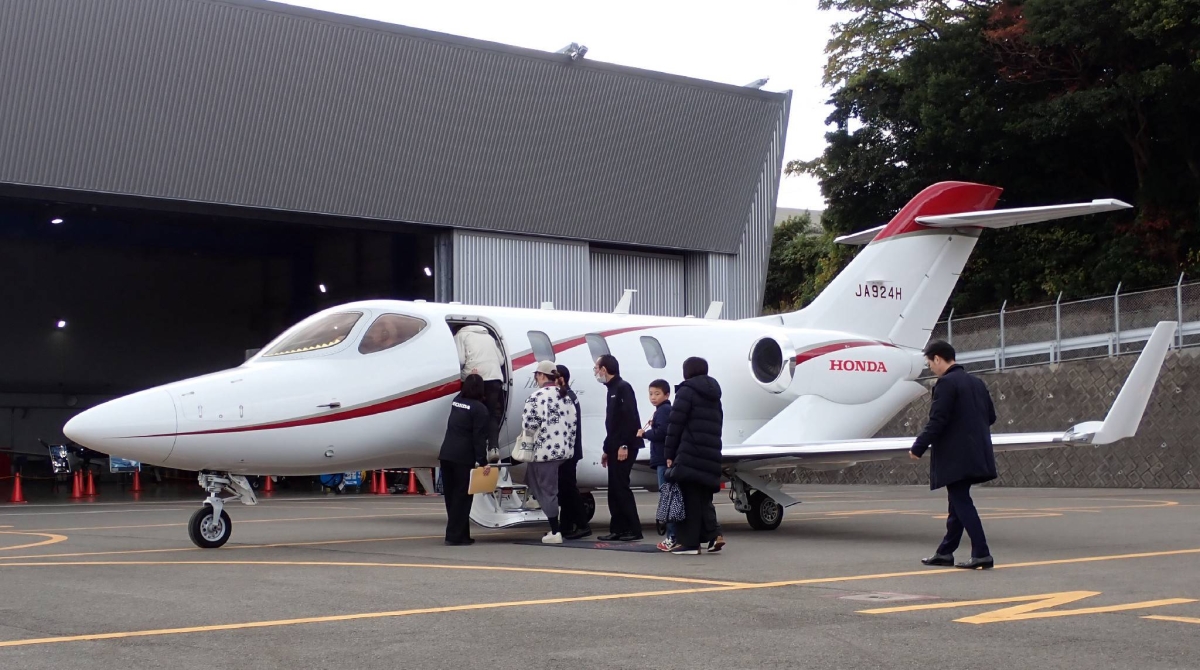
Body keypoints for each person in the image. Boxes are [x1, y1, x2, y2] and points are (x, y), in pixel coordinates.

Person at [910, 340, 998, 570]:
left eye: (930, 363)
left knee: (961, 502)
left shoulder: (946, 384)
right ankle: (945, 552)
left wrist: (919, 446)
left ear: (937, 358)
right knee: (956, 502)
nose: (931, 368)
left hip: (956, 454)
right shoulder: (977, 382)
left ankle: (982, 553)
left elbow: (938, 420)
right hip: (977, 451)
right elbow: (990, 417)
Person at [663, 357, 724, 555]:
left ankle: (689, 544)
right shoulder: (714, 395)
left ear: (686, 372)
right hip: (711, 451)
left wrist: (669, 454)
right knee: (703, 498)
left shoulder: (686, 391)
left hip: (690, 452)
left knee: (688, 497)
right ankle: (714, 534)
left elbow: (675, 424)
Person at [522, 361, 578, 544]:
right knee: (539, 481)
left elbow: (529, 427)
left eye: (536, 375)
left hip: (544, 452)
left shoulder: (536, 396)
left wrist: (526, 449)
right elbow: (573, 425)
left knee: (548, 490)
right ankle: (536, 500)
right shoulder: (566, 397)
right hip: (563, 451)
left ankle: (555, 530)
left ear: (542, 375)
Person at [437, 374, 491, 546]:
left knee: (452, 497)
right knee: (463, 497)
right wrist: (483, 461)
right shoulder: (480, 409)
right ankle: (453, 536)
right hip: (463, 457)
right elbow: (478, 437)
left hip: (446, 454)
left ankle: (462, 534)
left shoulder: (456, 401)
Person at [595, 354, 643, 542]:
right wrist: (608, 449)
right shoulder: (611, 389)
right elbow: (612, 424)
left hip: (626, 446)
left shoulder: (623, 388)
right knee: (614, 488)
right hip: (615, 446)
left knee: (621, 487)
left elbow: (629, 419)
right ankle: (618, 528)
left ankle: (633, 528)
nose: (596, 372)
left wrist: (624, 445)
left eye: (596, 368)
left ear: (604, 369)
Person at [637, 379, 677, 551]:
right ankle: (673, 535)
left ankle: (671, 536)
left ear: (667, 395)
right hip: (662, 459)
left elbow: (662, 433)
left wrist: (645, 434)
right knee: (668, 497)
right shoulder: (663, 410)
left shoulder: (663, 411)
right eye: (651, 394)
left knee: (667, 498)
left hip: (663, 460)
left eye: (657, 394)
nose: (653, 397)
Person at [454, 325, 505, 456]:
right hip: (495, 378)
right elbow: (501, 360)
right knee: (492, 414)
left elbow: (460, 359)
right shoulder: (488, 337)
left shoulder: (461, 335)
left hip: (476, 379)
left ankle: (475, 450)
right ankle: (493, 448)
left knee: (473, 414)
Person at [555, 365, 592, 540]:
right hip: (569, 451)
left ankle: (583, 525)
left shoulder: (566, 398)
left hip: (568, 451)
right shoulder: (569, 395)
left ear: (561, 378)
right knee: (564, 489)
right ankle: (566, 525)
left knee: (569, 489)